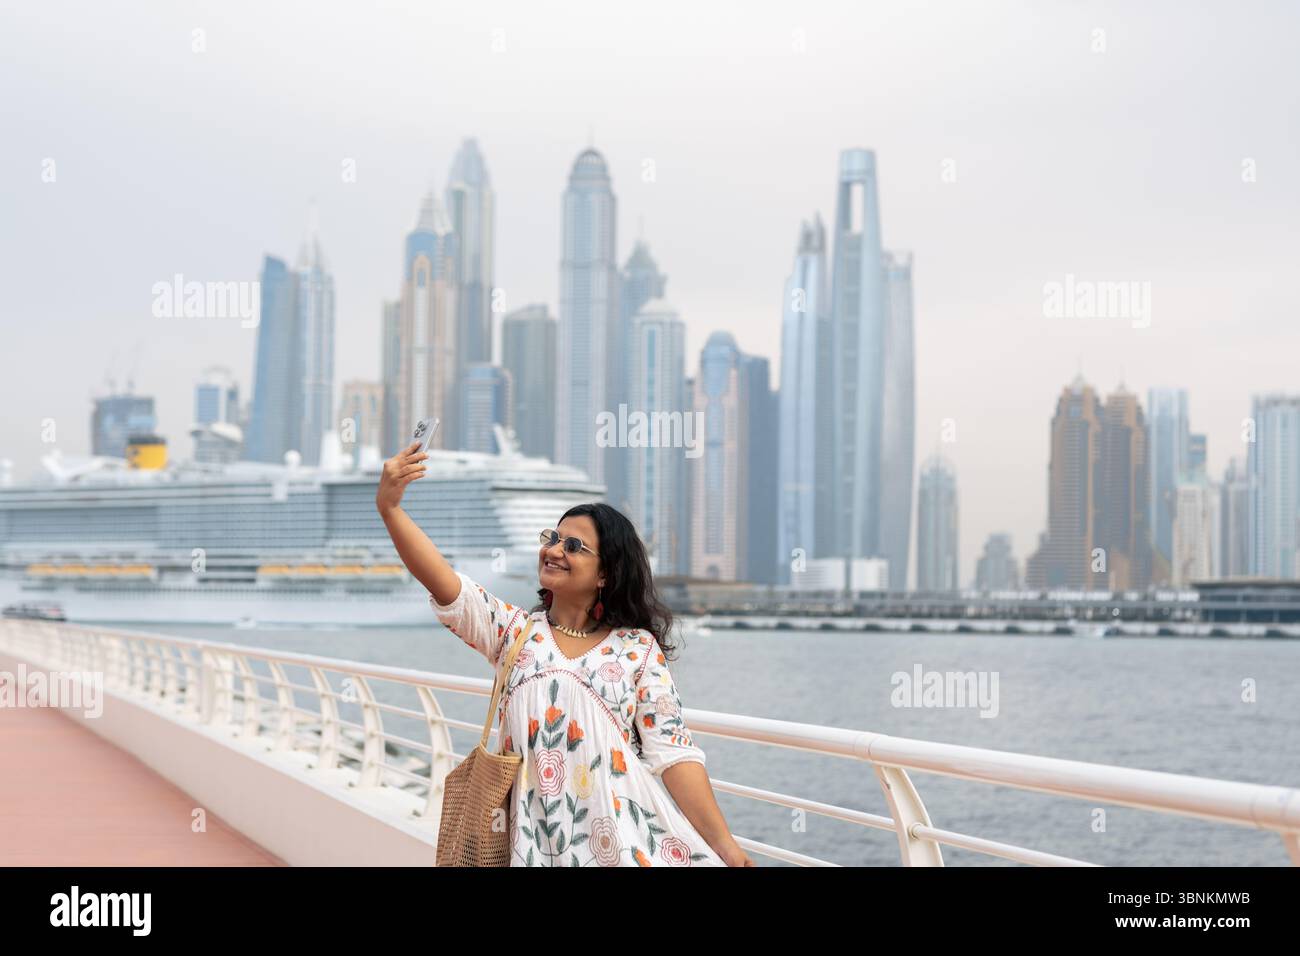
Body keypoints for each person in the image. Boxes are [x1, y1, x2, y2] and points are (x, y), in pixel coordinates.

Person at [377, 440, 754, 867]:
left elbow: (674, 754)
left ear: (605, 574)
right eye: (553, 538)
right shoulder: (514, 634)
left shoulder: (637, 651)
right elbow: (445, 582)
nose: (554, 550)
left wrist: (724, 846)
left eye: (574, 546)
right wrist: (390, 509)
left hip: (626, 850)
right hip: (532, 851)